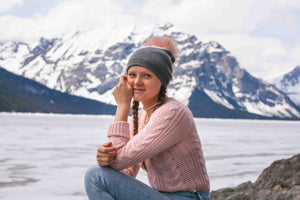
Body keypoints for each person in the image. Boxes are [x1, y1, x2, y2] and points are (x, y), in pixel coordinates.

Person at [84, 36, 210, 200]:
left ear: (162, 80)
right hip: (162, 196)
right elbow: (124, 170)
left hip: (188, 197)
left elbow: (119, 161)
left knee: (95, 176)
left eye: (146, 75)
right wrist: (106, 157)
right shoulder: (142, 116)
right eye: (132, 74)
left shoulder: (172, 113)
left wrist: (123, 105)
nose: (137, 82)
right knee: (98, 174)